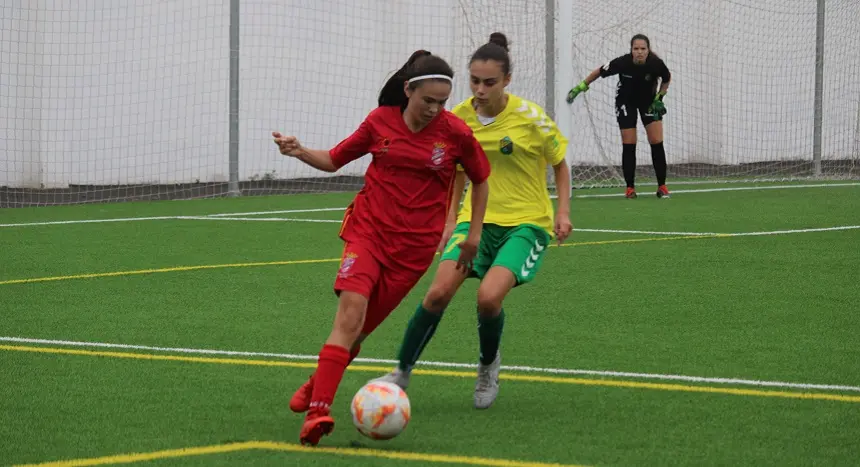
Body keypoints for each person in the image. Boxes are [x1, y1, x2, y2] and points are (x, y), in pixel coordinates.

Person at [272, 50, 491, 446]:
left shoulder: (456, 133)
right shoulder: (379, 122)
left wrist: (472, 233)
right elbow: (335, 159)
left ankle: (314, 384)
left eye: (441, 102)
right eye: (428, 100)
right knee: (350, 317)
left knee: (359, 331)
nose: (434, 109)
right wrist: (300, 150)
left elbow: (481, 179)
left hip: (414, 252)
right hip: (368, 234)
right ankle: (317, 413)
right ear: (408, 90)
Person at [372, 32, 572, 409]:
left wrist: (562, 211)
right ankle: (402, 370)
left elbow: (559, 163)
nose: (480, 90)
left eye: (489, 82)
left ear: (507, 81)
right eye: (474, 81)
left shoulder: (531, 118)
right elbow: (455, 171)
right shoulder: (457, 118)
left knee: (487, 298)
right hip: (474, 222)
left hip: (525, 225)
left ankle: (487, 367)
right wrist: (449, 220)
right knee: (437, 293)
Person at [566, 33, 672, 199]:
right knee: (629, 143)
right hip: (625, 102)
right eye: (635, 48)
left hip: (648, 102)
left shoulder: (656, 64)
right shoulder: (622, 62)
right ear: (631, 50)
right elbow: (599, 72)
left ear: (648, 50)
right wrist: (581, 87)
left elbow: (666, 78)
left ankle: (662, 187)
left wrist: (659, 97)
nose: (639, 52)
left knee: (656, 142)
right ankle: (630, 188)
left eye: (643, 49)